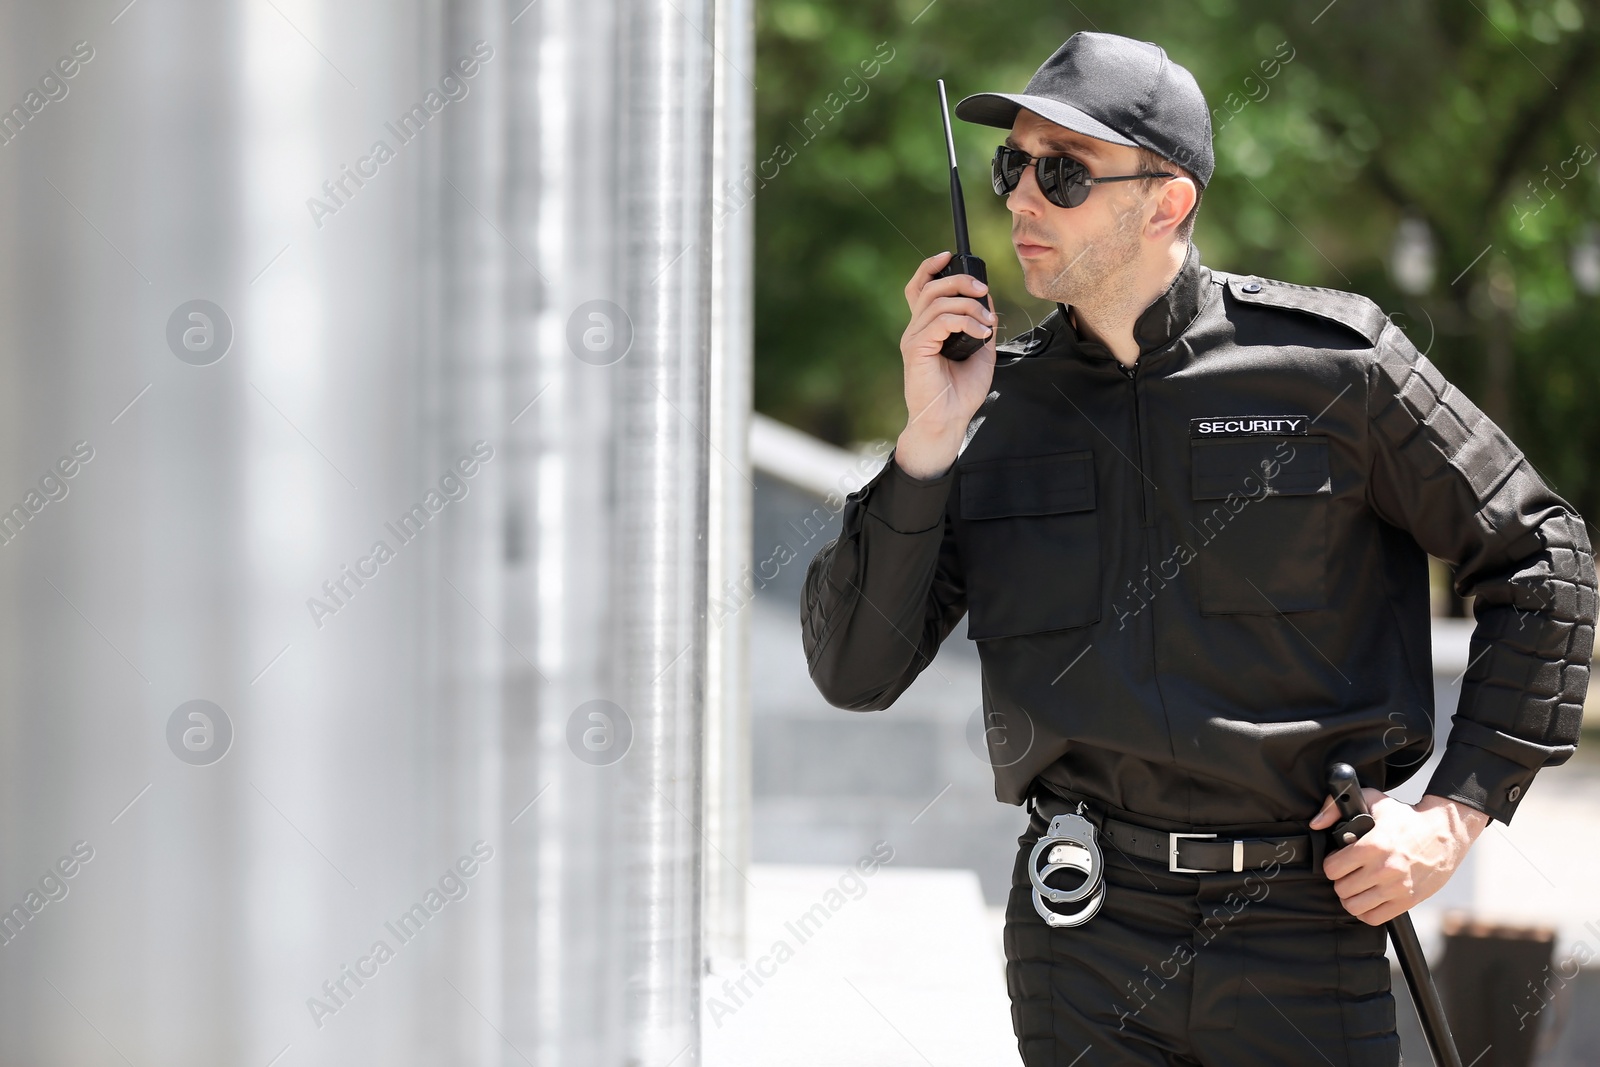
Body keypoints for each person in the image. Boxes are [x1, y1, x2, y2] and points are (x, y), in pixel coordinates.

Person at [800, 30, 1596, 1067]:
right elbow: (852, 669)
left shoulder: (1332, 370)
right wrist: (926, 439)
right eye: (1011, 168)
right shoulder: (990, 408)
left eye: (1061, 173)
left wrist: (1451, 815)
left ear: (1165, 202)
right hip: (1081, 932)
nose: (1020, 202)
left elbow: (1545, 556)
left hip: (1305, 929)